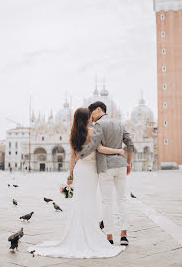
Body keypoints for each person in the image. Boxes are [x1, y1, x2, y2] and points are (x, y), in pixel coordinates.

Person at [28, 108, 126, 258]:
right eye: (89, 116)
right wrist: (118, 151)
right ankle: (89, 234)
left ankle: (76, 234)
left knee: (79, 201)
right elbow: (100, 149)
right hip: (91, 171)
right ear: (86, 118)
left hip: (80, 171)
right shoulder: (93, 132)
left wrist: (70, 175)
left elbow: (73, 157)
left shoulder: (73, 135)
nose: (91, 118)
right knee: (89, 202)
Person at [78, 101, 134, 246]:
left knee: (107, 202)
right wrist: (128, 162)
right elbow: (130, 144)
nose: (91, 117)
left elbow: (94, 145)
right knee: (122, 200)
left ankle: (109, 236)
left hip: (106, 167)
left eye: (92, 113)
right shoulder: (120, 123)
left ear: (98, 110)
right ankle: (124, 236)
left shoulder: (99, 125)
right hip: (121, 165)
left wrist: (80, 155)